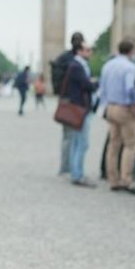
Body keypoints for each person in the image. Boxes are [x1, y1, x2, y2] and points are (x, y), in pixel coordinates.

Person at [99, 39, 135, 195]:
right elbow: (130, 87)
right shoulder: (130, 67)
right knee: (130, 145)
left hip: (110, 106)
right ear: (131, 51)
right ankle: (127, 180)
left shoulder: (108, 65)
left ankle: (113, 179)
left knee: (113, 144)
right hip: (125, 107)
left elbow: (102, 88)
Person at [62, 42, 98, 187]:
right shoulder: (77, 66)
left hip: (77, 107)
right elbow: (86, 85)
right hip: (80, 108)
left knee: (76, 142)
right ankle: (77, 174)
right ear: (79, 51)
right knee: (82, 143)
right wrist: (95, 83)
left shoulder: (75, 65)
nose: (90, 53)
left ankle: (75, 172)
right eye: (88, 50)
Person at [53, 32, 85, 175]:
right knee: (74, 136)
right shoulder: (76, 60)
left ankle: (66, 166)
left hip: (66, 99)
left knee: (68, 136)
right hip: (75, 101)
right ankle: (69, 167)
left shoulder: (63, 58)